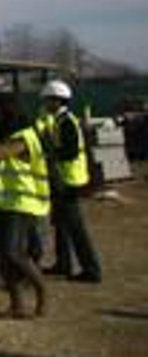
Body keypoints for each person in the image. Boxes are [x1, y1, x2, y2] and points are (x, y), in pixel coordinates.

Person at [0, 89, 49, 319]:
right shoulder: (7, 135)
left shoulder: (24, 137)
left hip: (22, 203)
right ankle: (16, 304)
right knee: (4, 257)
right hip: (2, 202)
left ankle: (41, 290)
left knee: (13, 252)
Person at [39, 80, 102, 283]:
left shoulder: (66, 122)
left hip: (69, 182)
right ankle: (63, 263)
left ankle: (91, 269)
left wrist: (49, 154)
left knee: (76, 227)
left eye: (48, 100)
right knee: (61, 224)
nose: (45, 104)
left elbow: (70, 152)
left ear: (58, 101)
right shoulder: (59, 120)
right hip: (63, 180)